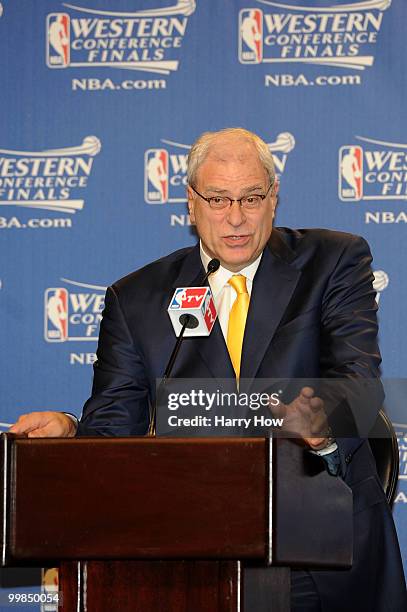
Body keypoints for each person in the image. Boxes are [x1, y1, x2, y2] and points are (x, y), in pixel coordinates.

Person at [10, 128, 406, 611]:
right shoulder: (136, 299)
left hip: (320, 550)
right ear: (190, 203)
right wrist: (72, 434)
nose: (236, 218)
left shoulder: (333, 261)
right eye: (217, 199)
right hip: (193, 558)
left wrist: (322, 427)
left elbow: (358, 383)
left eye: (251, 198)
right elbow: (116, 434)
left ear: (274, 198)